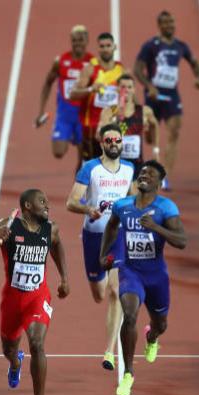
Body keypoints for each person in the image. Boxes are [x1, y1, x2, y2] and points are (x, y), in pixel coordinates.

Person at [0, 189, 69, 395]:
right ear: (27, 205)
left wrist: (65, 278)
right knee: (8, 349)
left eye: (47, 201)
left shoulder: (52, 228)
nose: (48, 204)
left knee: (38, 343)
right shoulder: (7, 225)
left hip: (37, 297)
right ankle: (15, 363)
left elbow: (57, 246)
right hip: (13, 299)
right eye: (42, 201)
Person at [99, 160, 187, 395]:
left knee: (161, 324)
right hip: (131, 272)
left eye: (150, 173)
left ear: (159, 183)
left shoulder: (166, 208)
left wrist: (157, 228)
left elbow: (181, 241)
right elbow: (111, 226)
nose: (144, 175)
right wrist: (103, 253)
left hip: (156, 276)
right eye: (142, 172)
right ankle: (128, 373)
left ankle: (152, 337)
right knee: (129, 313)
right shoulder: (123, 205)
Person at [66, 123, 134, 371]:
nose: (114, 144)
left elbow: (134, 199)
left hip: (117, 235)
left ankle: (109, 352)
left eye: (117, 140)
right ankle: (98, 279)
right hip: (94, 235)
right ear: (102, 143)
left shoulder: (129, 169)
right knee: (99, 294)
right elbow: (71, 202)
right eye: (109, 141)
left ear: (121, 142)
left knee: (116, 291)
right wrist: (88, 210)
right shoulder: (90, 169)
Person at [134, 10, 199, 190]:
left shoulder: (181, 46)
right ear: (160, 25)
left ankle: (164, 176)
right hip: (153, 95)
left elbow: (194, 63)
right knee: (150, 137)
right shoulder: (151, 45)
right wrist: (149, 86)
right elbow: (138, 69)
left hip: (171, 95)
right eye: (165, 23)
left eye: (171, 23)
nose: (169, 26)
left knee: (174, 133)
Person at [35, 25, 95, 169]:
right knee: (58, 152)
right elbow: (47, 84)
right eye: (74, 40)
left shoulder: (93, 63)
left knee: (83, 161)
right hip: (65, 115)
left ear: (87, 40)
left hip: (83, 116)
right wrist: (41, 111)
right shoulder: (61, 61)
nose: (77, 43)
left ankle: (79, 189)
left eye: (80, 40)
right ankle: (70, 136)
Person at [70, 32, 125, 165]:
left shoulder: (121, 71)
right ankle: (79, 186)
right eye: (102, 46)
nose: (105, 49)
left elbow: (129, 99)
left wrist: (123, 95)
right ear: (98, 48)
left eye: (108, 45)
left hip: (111, 126)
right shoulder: (90, 69)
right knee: (88, 165)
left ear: (114, 47)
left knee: (110, 164)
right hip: (90, 126)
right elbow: (73, 94)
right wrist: (90, 89)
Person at [98, 73, 160, 179]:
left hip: (136, 164)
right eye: (122, 87)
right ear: (117, 89)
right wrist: (110, 126)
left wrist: (155, 150)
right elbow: (99, 135)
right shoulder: (109, 111)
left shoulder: (144, 111)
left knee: (135, 194)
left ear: (134, 90)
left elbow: (155, 124)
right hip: (114, 163)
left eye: (129, 87)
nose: (126, 90)